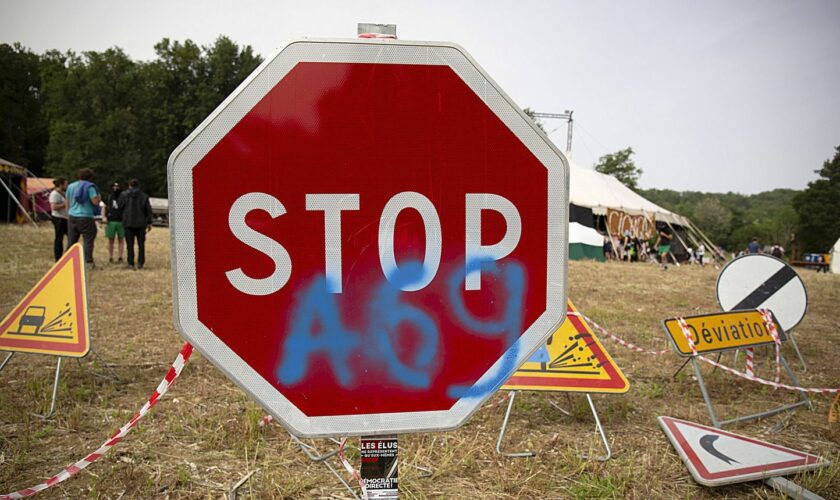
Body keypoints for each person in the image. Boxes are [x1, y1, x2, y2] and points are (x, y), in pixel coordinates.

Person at [65, 168, 101, 267]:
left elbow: (67, 200)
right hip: (86, 216)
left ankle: (67, 261)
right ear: (90, 177)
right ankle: (88, 262)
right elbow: (95, 202)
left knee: (71, 241)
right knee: (88, 240)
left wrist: (69, 212)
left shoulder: (71, 186)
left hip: (72, 216)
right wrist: (98, 198)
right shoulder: (90, 187)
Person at [119, 178, 152, 270]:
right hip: (141, 223)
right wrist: (149, 222)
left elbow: (120, 207)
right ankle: (140, 263)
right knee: (141, 244)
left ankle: (131, 263)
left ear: (129, 185)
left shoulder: (124, 195)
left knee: (130, 244)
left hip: (128, 222)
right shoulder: (144, 196)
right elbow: (148, 210)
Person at [104, 182, 125, 263]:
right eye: (114, 186)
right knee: (111, 240)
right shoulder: (109, 197)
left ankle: (120, 256)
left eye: (117, 186)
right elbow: (105, 207)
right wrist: (104, 217)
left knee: (121, 240)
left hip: (121, 221)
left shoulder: (123, 197)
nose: (115, 188)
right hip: (111, 220)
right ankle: (110, 257)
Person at [48, 177, 69, 261]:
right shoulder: (54, 194)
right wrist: (64, 204)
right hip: (58, 218)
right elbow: (54, 207)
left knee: (71, 236)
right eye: (66, 184)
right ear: (61, 185)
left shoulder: (62, 193)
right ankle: (58, 257)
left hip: (65, 217)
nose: (67, 186)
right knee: (59, 238)